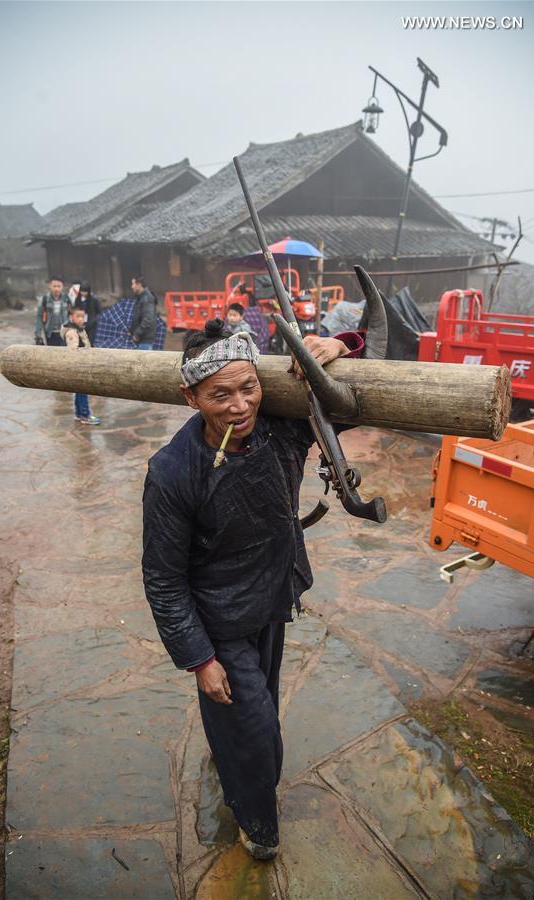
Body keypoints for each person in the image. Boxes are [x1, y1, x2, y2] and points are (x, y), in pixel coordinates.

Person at [142, 318, 364, 860]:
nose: (240, 406)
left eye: (249, 388)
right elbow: (164, 580)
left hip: (270, 600)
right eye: (221, 394)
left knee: (245, 711)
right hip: (217, 620)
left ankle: (233, 755)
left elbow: (354, 399)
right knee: (257, 729)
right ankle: (259, 825)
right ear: (190, 396)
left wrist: (342, 345)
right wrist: (199, 659)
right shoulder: (172, 472)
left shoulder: (282, 429)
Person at [60, 303, 100, 425]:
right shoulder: (72, 332)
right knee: (82, 390)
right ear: (72, 317)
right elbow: (74, 352)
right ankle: (85, 415)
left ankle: (78, 414)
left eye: (83, 316)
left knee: (79, 391)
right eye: (78, 316)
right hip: (79, 366)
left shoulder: (79, 328)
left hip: (80, 365)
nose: (81, 319)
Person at [35, 277, 70, 346]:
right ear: (50, 286)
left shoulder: (66, 299)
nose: (56, 289)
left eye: (59, 286)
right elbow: (39, 317)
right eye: (54, 286)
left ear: (62, 287)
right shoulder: (44, 299)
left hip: (64, 332)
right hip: (50, 333)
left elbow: (71, 314)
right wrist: (38, 334)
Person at [129, 275, 157, 349]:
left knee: (145, 360)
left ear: (139, 284)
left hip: (145, 340)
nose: (132, 286)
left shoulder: (147, 298)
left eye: (133, 284)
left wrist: (137, 334)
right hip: (141, 339)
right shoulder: (140, 297)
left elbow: (148, 319)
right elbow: (138, 316)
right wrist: (131, 331)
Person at [74, 281, 102, 345]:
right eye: (82, 291)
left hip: (91, 324)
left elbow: (99, 312)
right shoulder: (77, 299)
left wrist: (94, 320)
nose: (83, 293)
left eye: (85, 291)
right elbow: (75, 311)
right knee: (80, 342)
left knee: (91, 341)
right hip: (80, 323)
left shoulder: (94, 300)